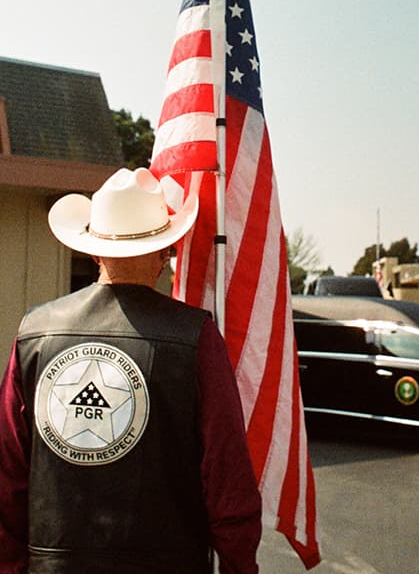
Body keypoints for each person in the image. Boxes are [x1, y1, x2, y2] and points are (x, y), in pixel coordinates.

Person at [0, 167, 262, 573]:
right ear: (164, 253)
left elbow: (8, 476)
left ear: (92, 250)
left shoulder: (34, 331)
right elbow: (229, 484)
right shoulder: (197, 337)